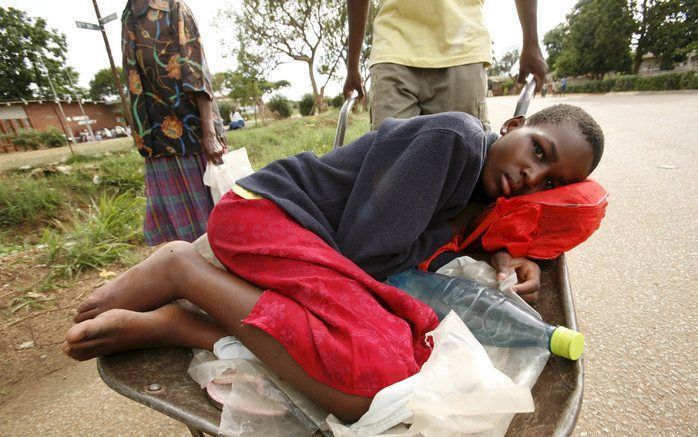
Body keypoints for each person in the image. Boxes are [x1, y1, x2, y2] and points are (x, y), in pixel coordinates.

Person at [64, 104, 604, 422]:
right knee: (375, 379)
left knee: (390, 365)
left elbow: (429, 248)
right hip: (266, 216)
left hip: (303, 245)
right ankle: (182, 278)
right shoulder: (455, 139)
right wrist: (399, 307)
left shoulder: (479, 191)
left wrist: (510, 254)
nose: (534, 176)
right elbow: (367, 256)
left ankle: (199, 318)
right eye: (538, 150)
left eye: (551, 181)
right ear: (511, 125)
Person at [343, 0, 549, 130]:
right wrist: (352, 66)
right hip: (392, 50)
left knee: (463, 164)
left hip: (461, 49)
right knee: (388, 162)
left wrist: (531, 41)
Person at [121, 0, 227, 246]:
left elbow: (197, 72)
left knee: (216, 225)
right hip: (157, 141)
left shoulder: (174, 8)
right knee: (182, 235)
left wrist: (209, 134)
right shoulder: (128, 17)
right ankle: (191, 277)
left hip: (193, 137)